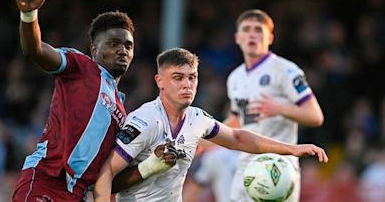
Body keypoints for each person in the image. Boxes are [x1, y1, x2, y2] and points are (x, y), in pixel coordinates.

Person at [92, 48, 328, 201]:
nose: (187, 84)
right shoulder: (145, 122)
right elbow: (105, 174)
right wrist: (149, 167)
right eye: (178, 78)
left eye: (192, 77)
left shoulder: (197, 119)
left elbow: (237, 138)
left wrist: (292, 149)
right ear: (160, 81)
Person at [12, 0, 138, 201]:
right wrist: (29, 14)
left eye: (128, 45)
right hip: (46, 179)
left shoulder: (121, 111)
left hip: (77, 195)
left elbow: (107, 178)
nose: (123, 50)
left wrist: (155, 165)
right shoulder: (80, 65)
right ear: (94, 50)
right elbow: (36, 50)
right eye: (114, 43)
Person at [224, 9, 325, 202]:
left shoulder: (286, 70)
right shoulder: (234, 77)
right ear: (237, 37)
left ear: (270, 37)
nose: (252, 34)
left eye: (258, 30)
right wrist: (206, 140)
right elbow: (238, 119)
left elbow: (315, 116)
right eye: (246, 29)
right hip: (246, 165)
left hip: (280, 165)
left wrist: (280, 108)